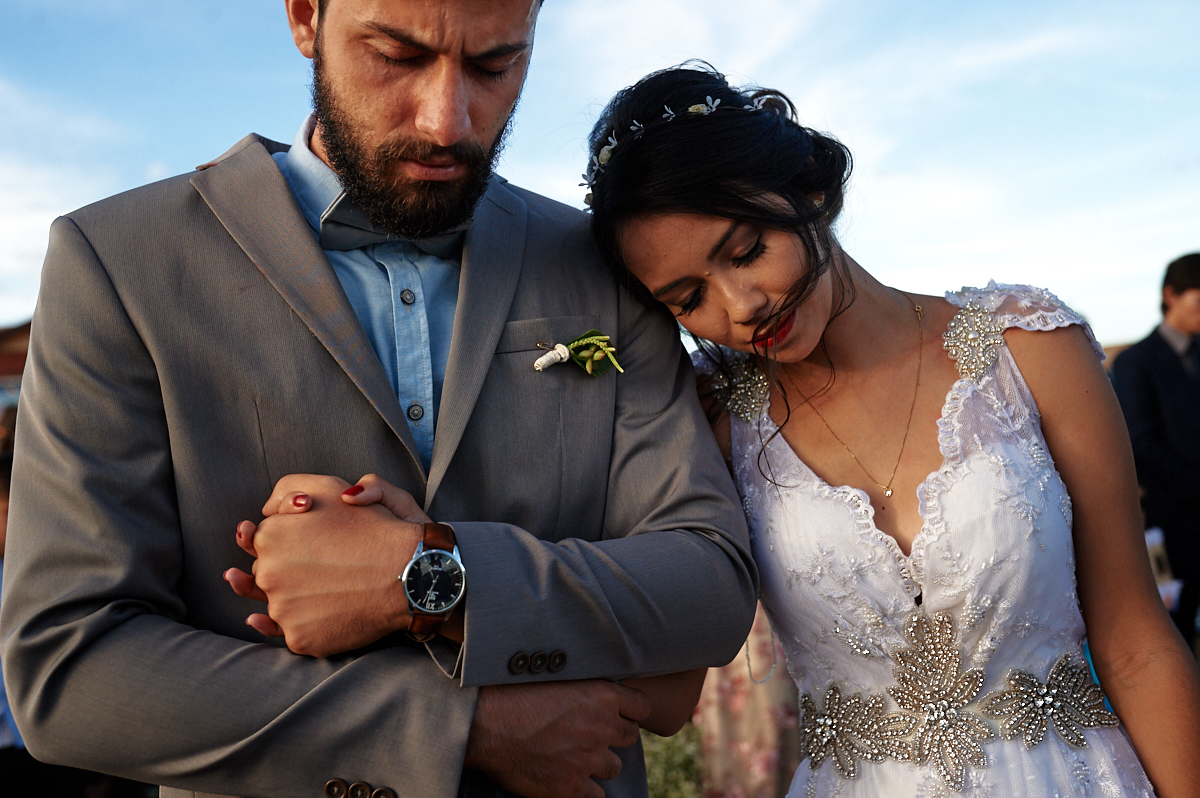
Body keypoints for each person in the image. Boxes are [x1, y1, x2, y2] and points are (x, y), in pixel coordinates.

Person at [0, 4, 757, 798]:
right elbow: (70, 670)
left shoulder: (602, 262)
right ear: (304, 18)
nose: (446, 122)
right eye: (395, 56)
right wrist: (460, 728)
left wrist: (424, 572)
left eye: (495, 67)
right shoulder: (117, 263)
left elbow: (708, 586)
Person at [582, 63, 1200, 796]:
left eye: (746, 250)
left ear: (806, 188)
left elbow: (1135, 646)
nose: (740, 305)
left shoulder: (1029, 350)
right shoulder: (713, 419)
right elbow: (665, 685)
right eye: (689, 299)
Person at [1112, 253, 1200, 651]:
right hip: (1175, 521)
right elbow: (1140, 443)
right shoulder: (1136, 362)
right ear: (1171, 295)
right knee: (1176, 631)